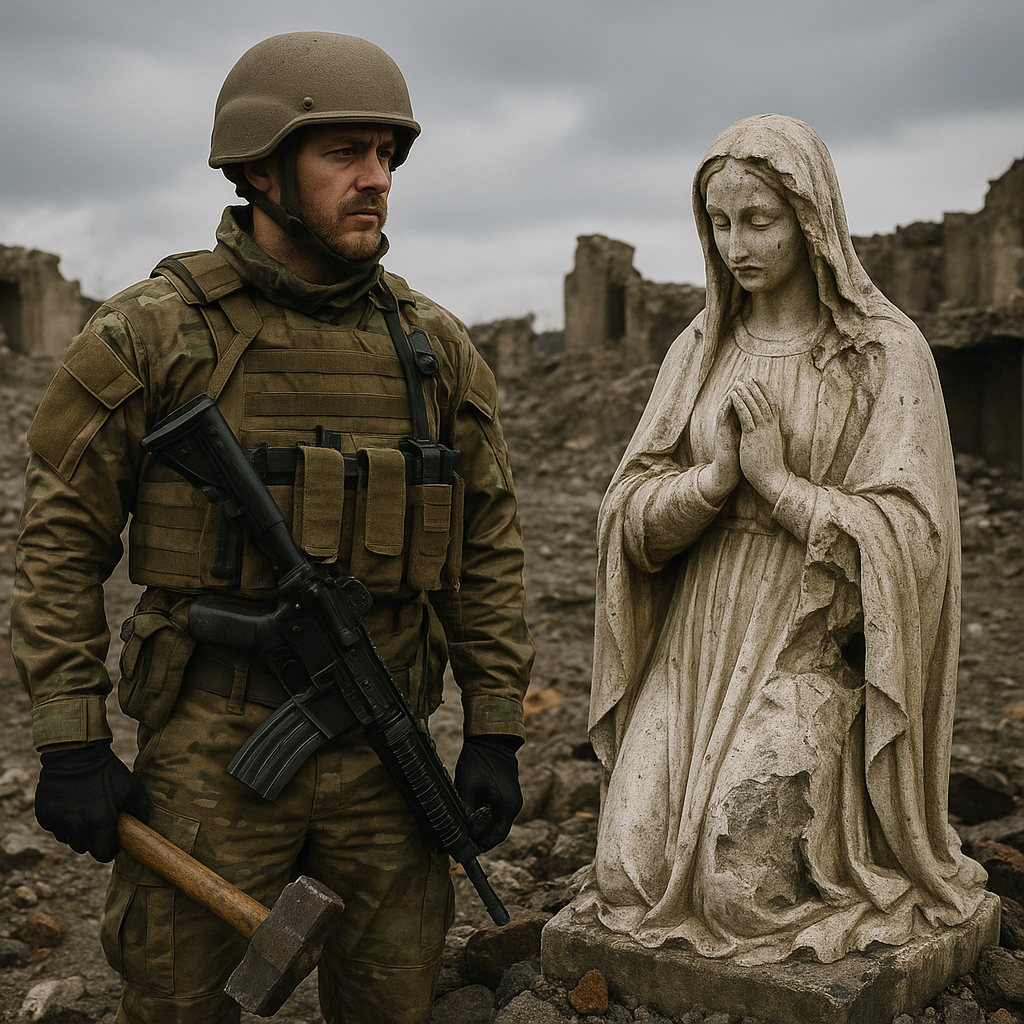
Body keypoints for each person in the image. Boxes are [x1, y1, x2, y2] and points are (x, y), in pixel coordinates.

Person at [11, 32, 533, 1024]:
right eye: (345, 154)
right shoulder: (153, 331)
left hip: (388, 749)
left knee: (395, 1001)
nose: (375, 179)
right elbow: (60, 542)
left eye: (386, 155)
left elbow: (486, 550)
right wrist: (71, 739)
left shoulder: (433, 348)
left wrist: (495, 729)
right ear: (261, 165)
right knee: (176, 1000)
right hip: (215, 741)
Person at [576, 114, 987, 966]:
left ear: (811, 218)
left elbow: (912, 540)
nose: (736, 244)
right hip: (697, 633)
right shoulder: (700, 349)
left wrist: (780, 488)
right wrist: (715, 482)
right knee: (625, 872)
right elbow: (631, 519)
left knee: (741, 893)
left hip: (813, 640)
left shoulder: (883, 354)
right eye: (718, 223)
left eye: (758, 219)